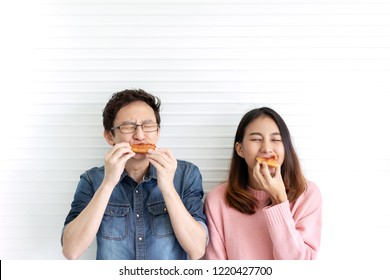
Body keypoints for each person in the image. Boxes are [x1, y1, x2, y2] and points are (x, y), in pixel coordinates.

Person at [62, 89, 208, 260]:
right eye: (128, 127)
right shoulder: (92, 180)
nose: (140, 136)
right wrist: (108, 184)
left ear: (158, 132)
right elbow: (71, 251)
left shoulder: (186, 174)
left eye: (148, 126)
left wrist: (168, 188)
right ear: (110, 136)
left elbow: (197, 250)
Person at [204, 107, 322, 260]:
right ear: (240, 149)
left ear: (285, 148)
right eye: (256, 139)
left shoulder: (308, 195)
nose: (266, 148)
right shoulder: (216, 200)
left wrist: (279, 201)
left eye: (276, 140)